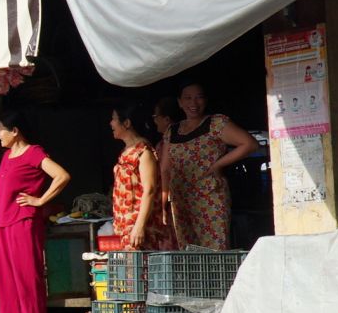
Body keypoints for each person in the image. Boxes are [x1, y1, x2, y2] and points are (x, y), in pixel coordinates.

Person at [0, 111, 70, 313]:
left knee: (27, 277)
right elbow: (3, 195)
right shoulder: (6, 157)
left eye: (1, 129)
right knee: (6, 281)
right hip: (4, 224)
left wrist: (40, 200)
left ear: (15, 131)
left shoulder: (33, 152)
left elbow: (62, 176)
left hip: (24, 222)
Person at [163, 82, 258, 250]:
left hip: (210, 197)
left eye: (199, 97)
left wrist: (217, 165)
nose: (193, 103)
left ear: (206, 100)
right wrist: (163, 202)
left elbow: (249, 144)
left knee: (214, 250)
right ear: (179, 102)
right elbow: (164, 168)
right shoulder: (172, 131)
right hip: (181, 201)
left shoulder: (216, 123)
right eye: (188, 98)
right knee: (188, 250)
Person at [109, 103, 172, 251]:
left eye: (113, 119)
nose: (111, 123)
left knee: (138, 271)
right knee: (130, 272)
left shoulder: (144, 152)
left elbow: (149, 190)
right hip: (125, 226)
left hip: (138, 227)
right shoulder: (126, 152)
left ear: (127, 123)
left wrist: (139, 226)